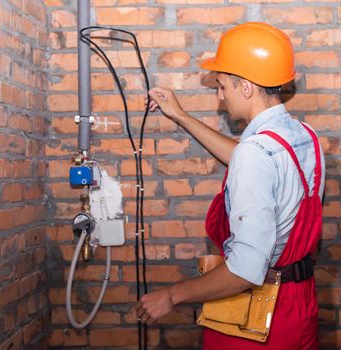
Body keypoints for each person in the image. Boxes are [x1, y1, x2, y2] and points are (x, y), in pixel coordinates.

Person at [135, 22, 325, 350]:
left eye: (222, 86)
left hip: (260, 316)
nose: (221, 97)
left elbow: (244, 271)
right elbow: (249, 158)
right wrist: (181, 116)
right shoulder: (303, 135)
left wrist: (171, 295)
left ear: (247, 87)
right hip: (301, 303)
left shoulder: (256, 153)